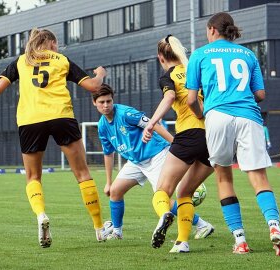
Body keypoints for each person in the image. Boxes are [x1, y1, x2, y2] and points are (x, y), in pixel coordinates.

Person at [0, 28, 110, 248]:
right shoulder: (62, 60)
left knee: (33, 177)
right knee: (82, 174)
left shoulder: (21, 61)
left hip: (30, 120)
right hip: (62, 116)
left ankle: (41, 215)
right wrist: (100, 73)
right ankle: (99, 229)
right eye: (56, 43)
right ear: (51, 42)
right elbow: (94, 86)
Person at [185, 12, 280, 256]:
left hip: (217, 117)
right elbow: (261, 94)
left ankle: (240, 241)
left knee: (224, 178)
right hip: (248, 116)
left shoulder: (200, 55)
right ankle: (274, 228)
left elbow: (191, 99)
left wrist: (203, 114)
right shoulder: (248, 54)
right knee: (259, 178)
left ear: (212, 29)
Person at [92, 84, 214, 241]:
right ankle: (117, 231)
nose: (106, 105)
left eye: (108, 101)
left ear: (112, 99)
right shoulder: (102, 126)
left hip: (156, 156)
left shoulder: (126, 113)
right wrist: (108, 182)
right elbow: (108, 153)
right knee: (115, 191)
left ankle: (203, 225)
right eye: (102, 102)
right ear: (95, 103)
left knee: (163, 198)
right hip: (136, 162)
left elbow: (154, 124)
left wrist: (176, 145)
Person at [142, 35, 214, 253]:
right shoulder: (195, 71)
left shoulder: (169, 76)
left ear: (160, 58)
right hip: (213, 136)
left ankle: (165, 213)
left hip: (189, 134)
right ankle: (182, 242)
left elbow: (169, 97)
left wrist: (152, 123)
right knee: (185, 192)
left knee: (163, 190)